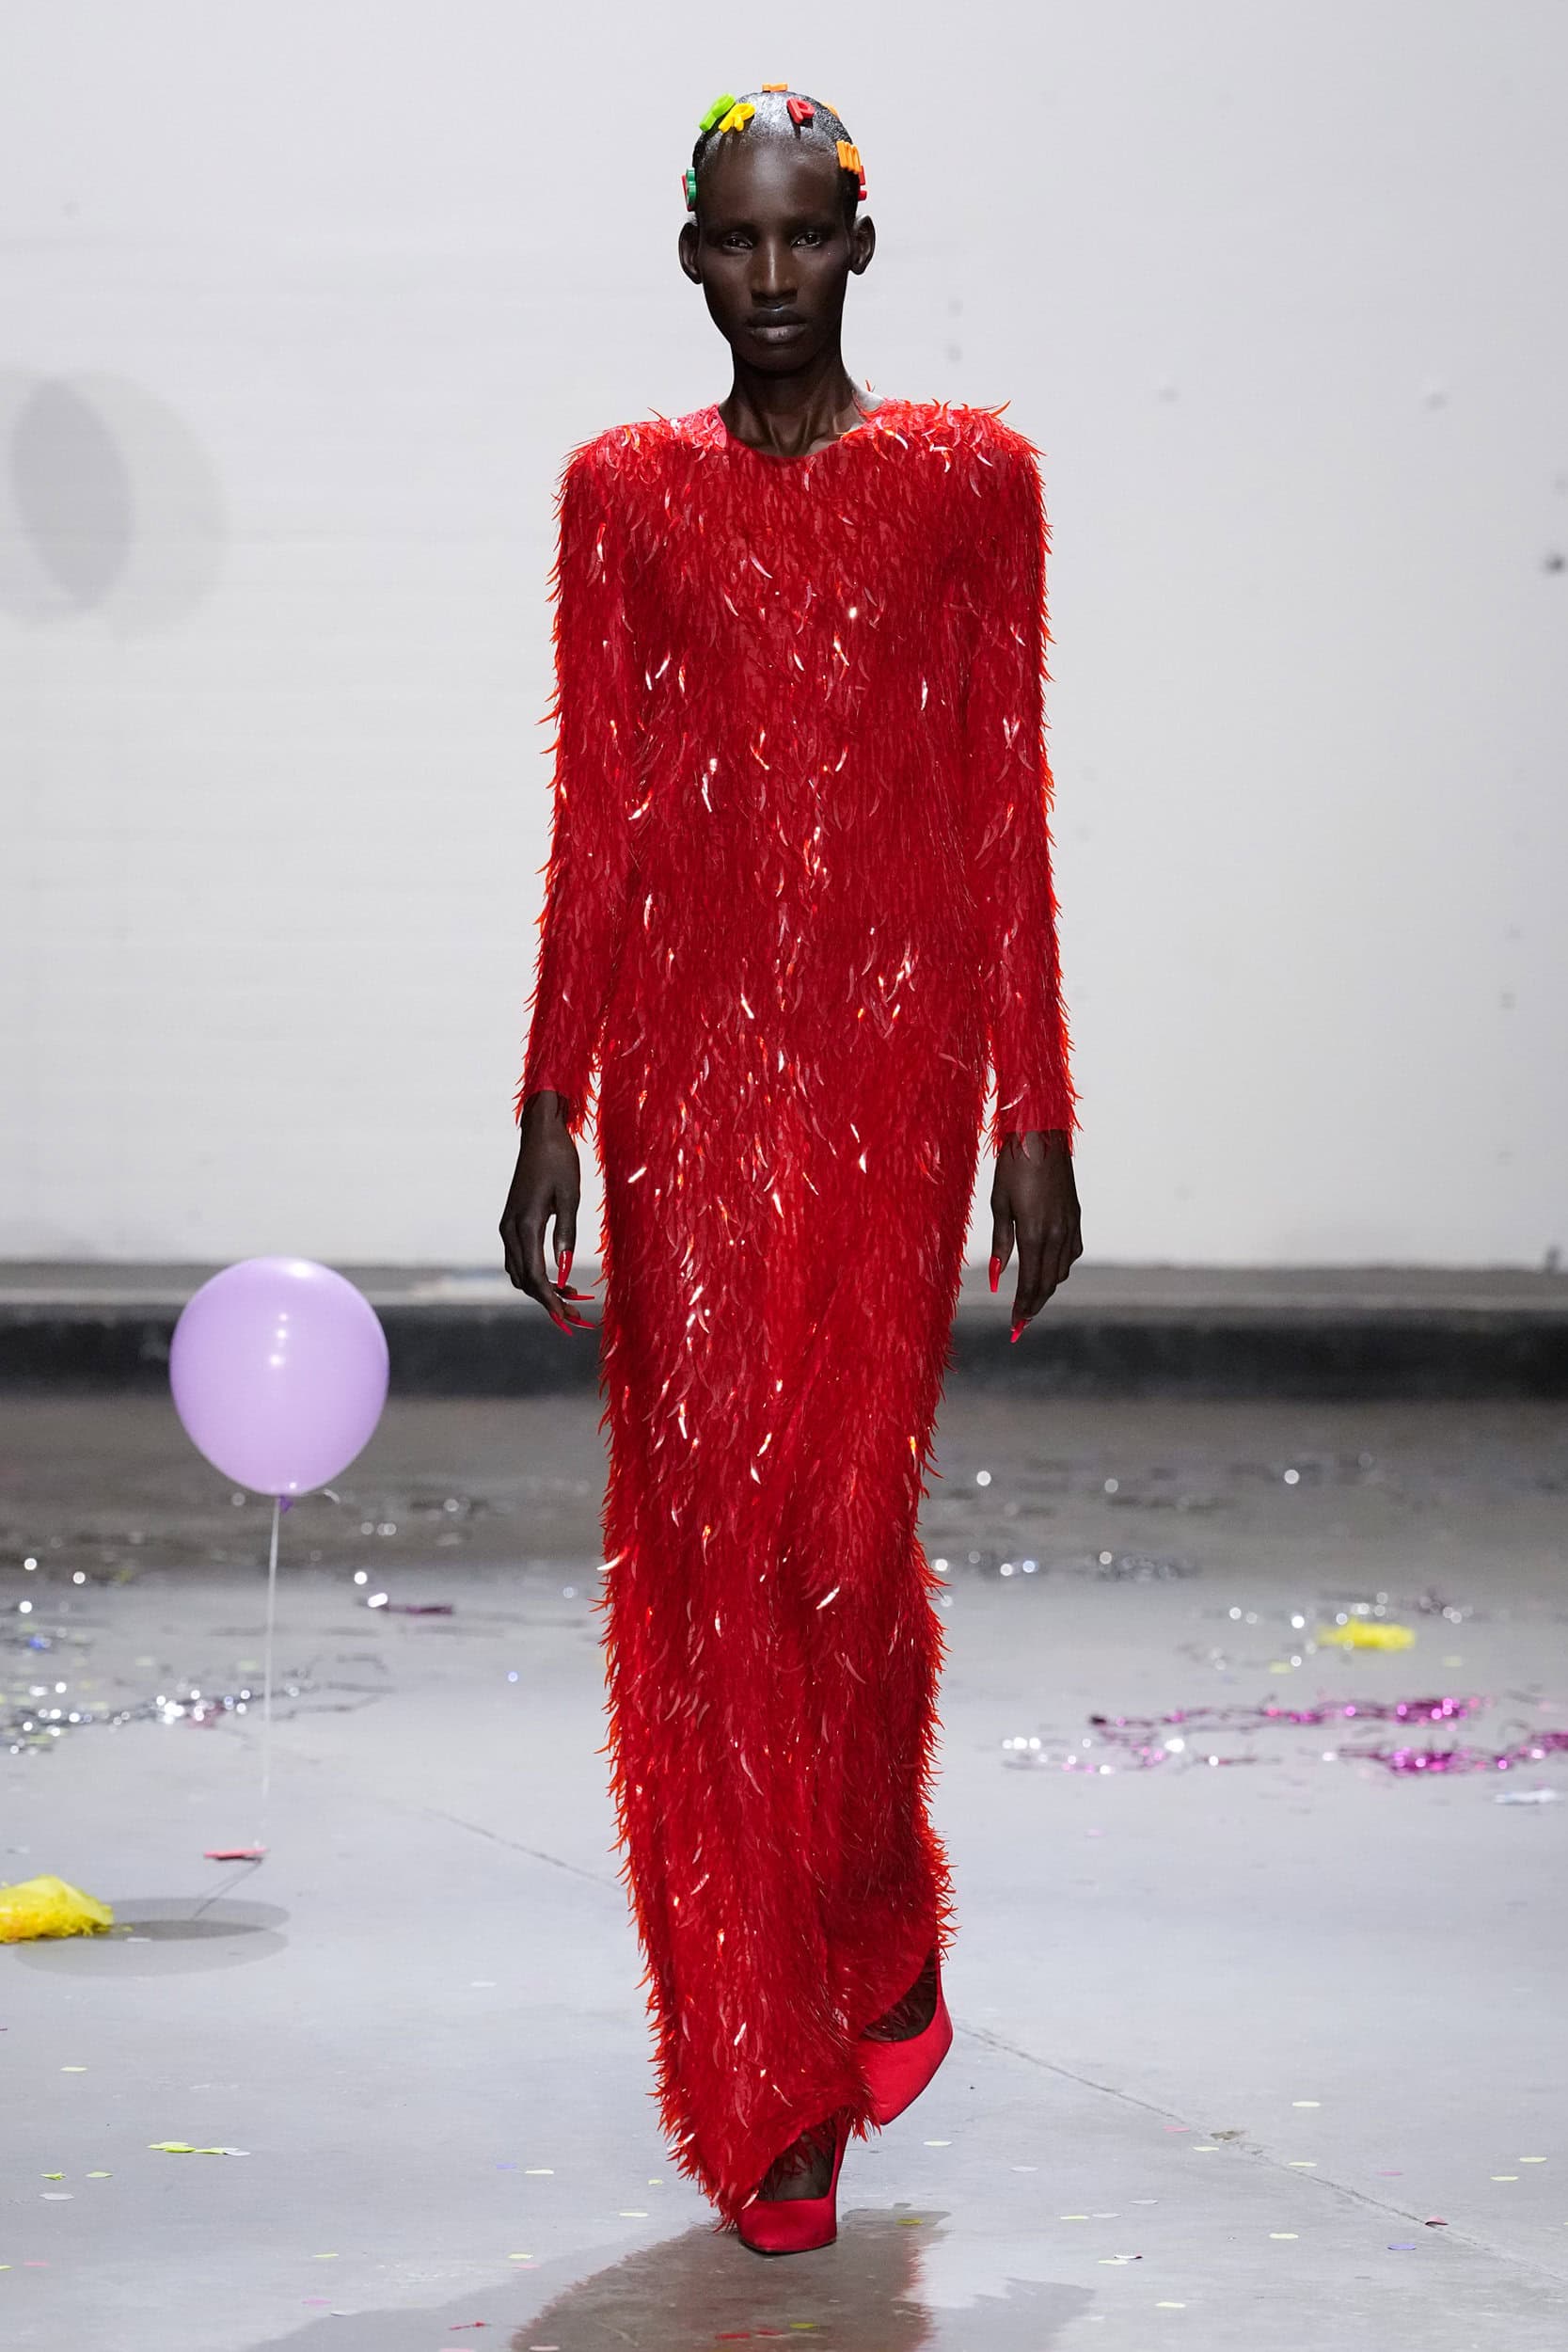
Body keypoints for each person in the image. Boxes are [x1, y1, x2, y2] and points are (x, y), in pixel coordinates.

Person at [499, 84, 1081, 2256]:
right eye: (734, 241)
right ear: (689, 257)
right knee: (707, 1570)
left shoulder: (969, 485)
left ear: (859, 245)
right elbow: (600, 811)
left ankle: (874, 1915)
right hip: (687, 1085)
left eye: (803, 237)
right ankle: (761, 2084)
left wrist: (1036, 1110)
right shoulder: (623, 496)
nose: (769, 277)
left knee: (847, 1541)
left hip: (898, 1081)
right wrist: (551, 1099)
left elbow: (1002, 790)